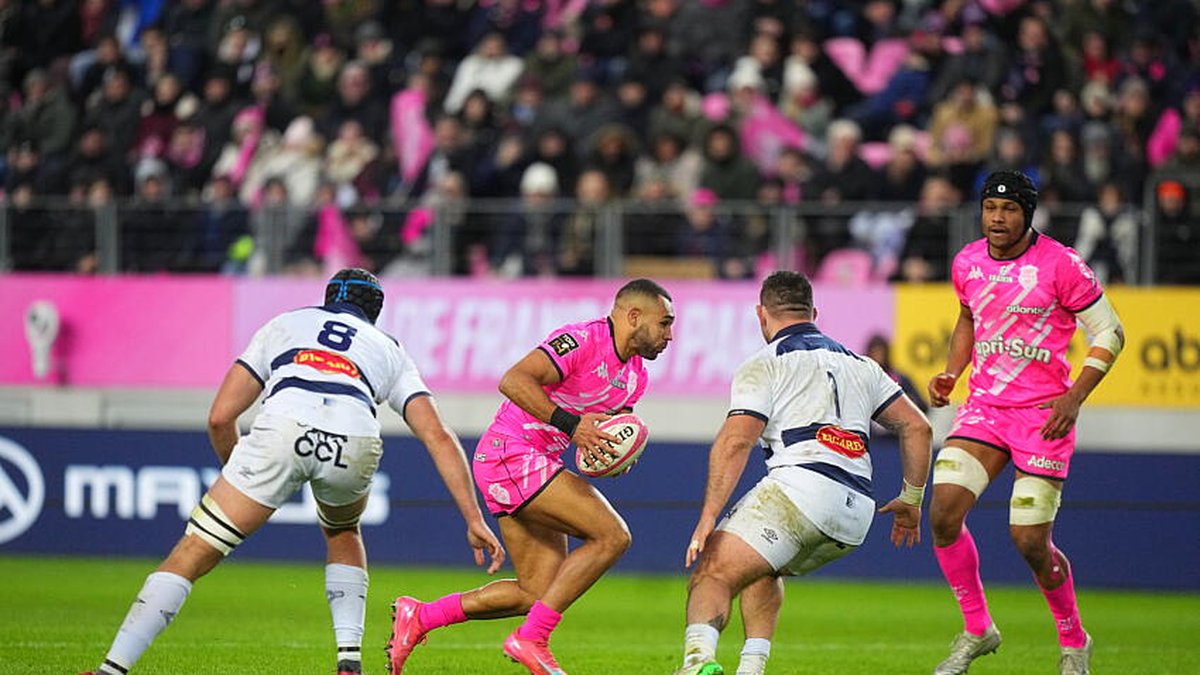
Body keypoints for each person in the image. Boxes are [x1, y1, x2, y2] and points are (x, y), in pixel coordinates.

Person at [81, 269, 504, 675]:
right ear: (374, 313)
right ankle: (349, 663)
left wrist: (244, 475)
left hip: (284, 425)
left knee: (194, 550)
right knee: (343, 531)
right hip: (354, 435)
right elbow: (438, 435)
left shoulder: (285, 323)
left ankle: (110, 670)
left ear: (327, 298)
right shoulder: (389, 347)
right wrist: (472, 517)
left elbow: (220, 417)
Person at [387, 279, 675, 674]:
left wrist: (611, 453)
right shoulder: (582, 340)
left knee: (536, 592)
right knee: (612, 536)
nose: (669, 335)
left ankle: (420, 616)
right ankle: (532, 638)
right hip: (511, 452)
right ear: (634, 316)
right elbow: (513, 380)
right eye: (665, 323)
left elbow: (601, 434)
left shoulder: (635, 378)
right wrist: (573, 426)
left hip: (534, 462)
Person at [674, 271, 933, 675]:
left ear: (761, 314)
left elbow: (736, 441)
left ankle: (696, 663)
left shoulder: (765, 363)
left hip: (801, 490)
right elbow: (918, 427)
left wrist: (708, 517)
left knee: (713, 572)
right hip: (856, 512)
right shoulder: (862, 365)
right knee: (763, 567)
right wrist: (912, 500)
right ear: (814, 313)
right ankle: (751, 668)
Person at [927, 170, 1124, 675]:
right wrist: (952, 372)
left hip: (1043, 415)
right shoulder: (967, 261)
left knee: (1030, 541)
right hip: (986, 408)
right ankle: (978, 629)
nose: (997, 218)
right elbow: (968, 317)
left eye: (1009, 209)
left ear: (1027, 214)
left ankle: (1074, 641)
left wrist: (1074, 397)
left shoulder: (1062, 264)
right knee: (943, 512)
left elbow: (1110, 332)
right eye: (990, 208)